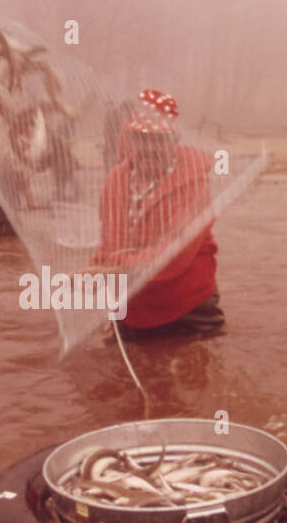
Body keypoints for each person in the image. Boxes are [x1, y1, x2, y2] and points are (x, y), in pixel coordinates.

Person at [92, 89, 225, 337]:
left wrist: (116, 272)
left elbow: (174, 253)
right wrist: (95, 269)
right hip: (134, 306)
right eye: (142, 138)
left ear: (174, 142)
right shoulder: (115, 180)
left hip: (187, 309)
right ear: (130, 140)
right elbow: (112, 242)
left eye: (158, 139)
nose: (149, 148)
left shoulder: (195, 184)